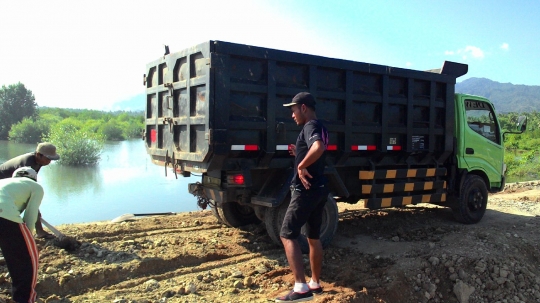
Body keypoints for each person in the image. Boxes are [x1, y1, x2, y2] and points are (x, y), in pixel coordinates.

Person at [276, 92, 329, 302]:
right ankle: (315, 283)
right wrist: (298, 153)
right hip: (320, 188)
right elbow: (315, 148)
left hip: (305, 190)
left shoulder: (310, 126)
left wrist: (301, 165)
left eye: (293, 110)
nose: (292, 115)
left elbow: (318, 147)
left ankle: (301, 288)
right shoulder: (321, 126)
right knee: (313, 238)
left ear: (303, 108)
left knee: (287, 234)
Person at [0, 167, 43, 303]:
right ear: (34, 178)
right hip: (4, 214)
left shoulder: (5, 183)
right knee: (27, 260)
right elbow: (30, 218)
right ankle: (24, 299)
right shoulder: (36, 187)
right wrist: (27, 240)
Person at [0, 142, 60, 239]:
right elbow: (28, 187)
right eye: (48, 158)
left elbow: (31, 184)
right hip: (3, 181)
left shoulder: (39, 162)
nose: (50, 161)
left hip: (10, 184)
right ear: (38, 154)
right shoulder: (28, 163)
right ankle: (34, 232)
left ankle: (37, 231)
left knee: (31, 202)